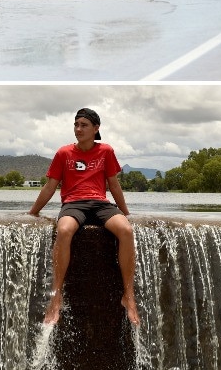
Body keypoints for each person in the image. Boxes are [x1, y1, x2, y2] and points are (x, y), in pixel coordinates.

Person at [29, 107, 139, 326]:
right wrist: (33, 213)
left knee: (126, 230)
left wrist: (125, 213)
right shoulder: (64, 153)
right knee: (64, 230)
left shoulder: (106, 151)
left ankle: (128, 296)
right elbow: (50, 186)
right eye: (76, 125)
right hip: (73, 204)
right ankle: (56, 296)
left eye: (84, 125)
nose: (78, 129)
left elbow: (114, 185)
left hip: (100, 204)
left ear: (96, 129)